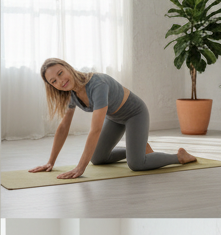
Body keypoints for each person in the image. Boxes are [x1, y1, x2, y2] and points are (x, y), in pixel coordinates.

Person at [31, 58, 197, 179]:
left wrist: (80, 168)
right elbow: (63, 127)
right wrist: (50, 162)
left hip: (135, 114)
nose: (61, 81)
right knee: (97, 158)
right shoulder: (70, 93)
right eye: (54, 81)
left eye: (60, 73)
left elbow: (95, 130)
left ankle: (179, 157)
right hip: (114, 118)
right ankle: (138, 149)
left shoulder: (97, 84)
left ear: (68, 67)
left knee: (137, 164)